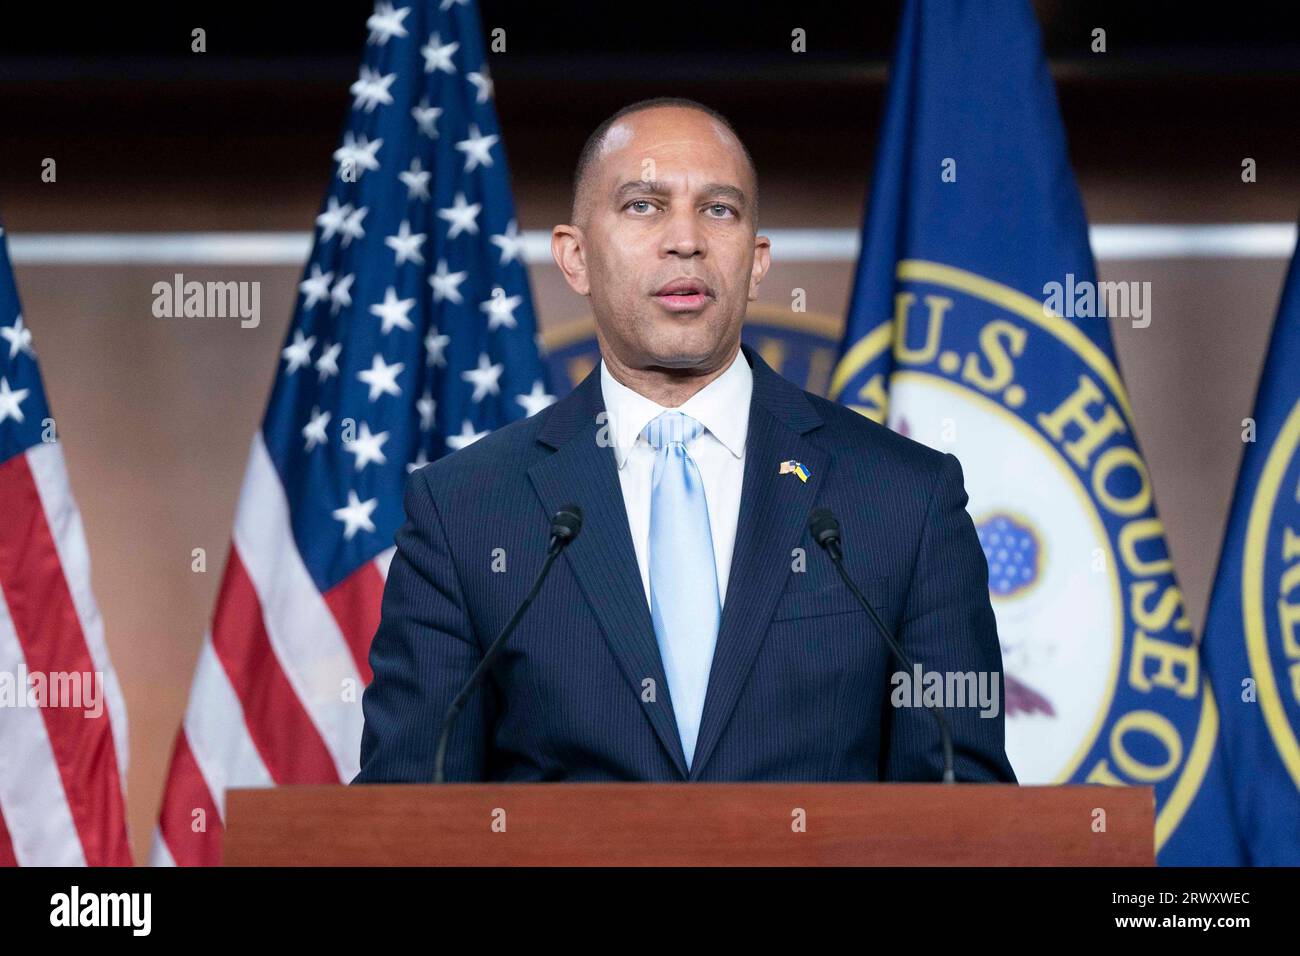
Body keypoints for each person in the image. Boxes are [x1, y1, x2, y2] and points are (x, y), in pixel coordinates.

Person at [354, 97, 1017, 784]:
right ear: (574, 258)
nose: (685, 240)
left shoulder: (905, 499)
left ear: (757, 262)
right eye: (643, 205)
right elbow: (407, 811)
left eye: (719, 209)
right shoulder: (463, 510)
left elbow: (959, 809)